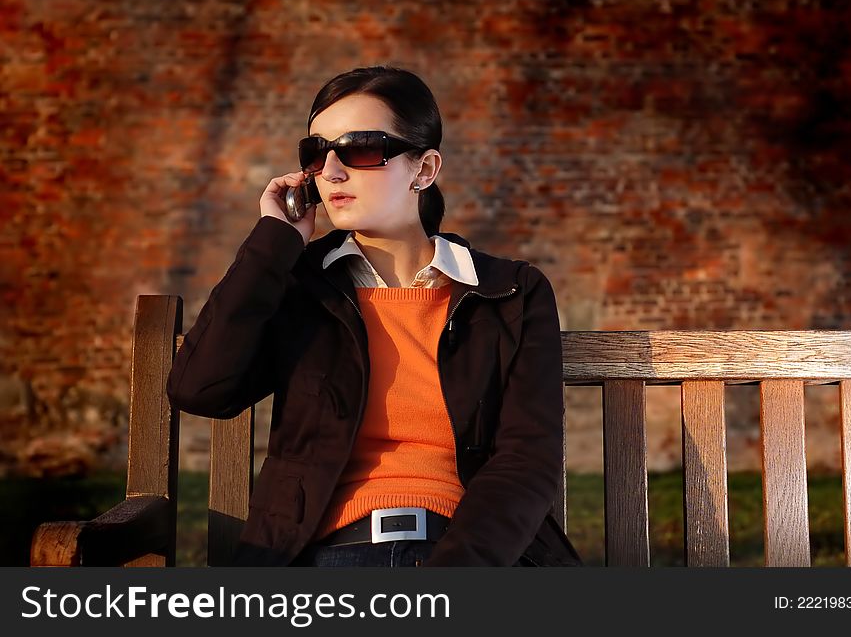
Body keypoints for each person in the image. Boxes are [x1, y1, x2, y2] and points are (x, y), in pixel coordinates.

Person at [166, 65, 582, 567]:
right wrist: (274, 243)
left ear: (424, 170)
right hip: (332, 554)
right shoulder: (302, 287)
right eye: (317, 154)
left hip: (468, 555)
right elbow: (200, 390)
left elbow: (525, 461)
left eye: (362, 149)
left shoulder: (509, 293)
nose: (333, 172)